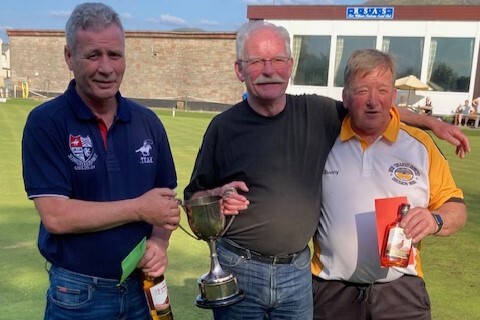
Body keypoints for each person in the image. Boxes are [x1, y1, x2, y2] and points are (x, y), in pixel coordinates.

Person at [184, 21, 470, 320]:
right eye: (257, 61)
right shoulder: (233, 127)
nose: (269, 69)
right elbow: (195, 201)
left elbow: (373, 106)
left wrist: (433, 124)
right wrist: (216, 200)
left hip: (337, 281)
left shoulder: (324, 116)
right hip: (277, 278)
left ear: (290, 65)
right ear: (239, 69)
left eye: (278, 59)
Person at [21, 3, 180, 319]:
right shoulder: (46, 122)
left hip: (142, 288)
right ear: (70, 57)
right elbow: (56, 216)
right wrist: (138, 208)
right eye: (93, 55)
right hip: (78, 293)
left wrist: (159, 244)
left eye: (115, 55)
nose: (107, 68)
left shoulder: (147, 122)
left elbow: (165, 206)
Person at [311, 49, 467, 320]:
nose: (373, 101)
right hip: (330, 292)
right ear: (345, 97)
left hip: (401, 292)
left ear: (393, 98)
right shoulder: (320, 140)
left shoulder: (420, 146)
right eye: (361, 91)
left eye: (382, 90)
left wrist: (436, 220)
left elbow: (456, 208)